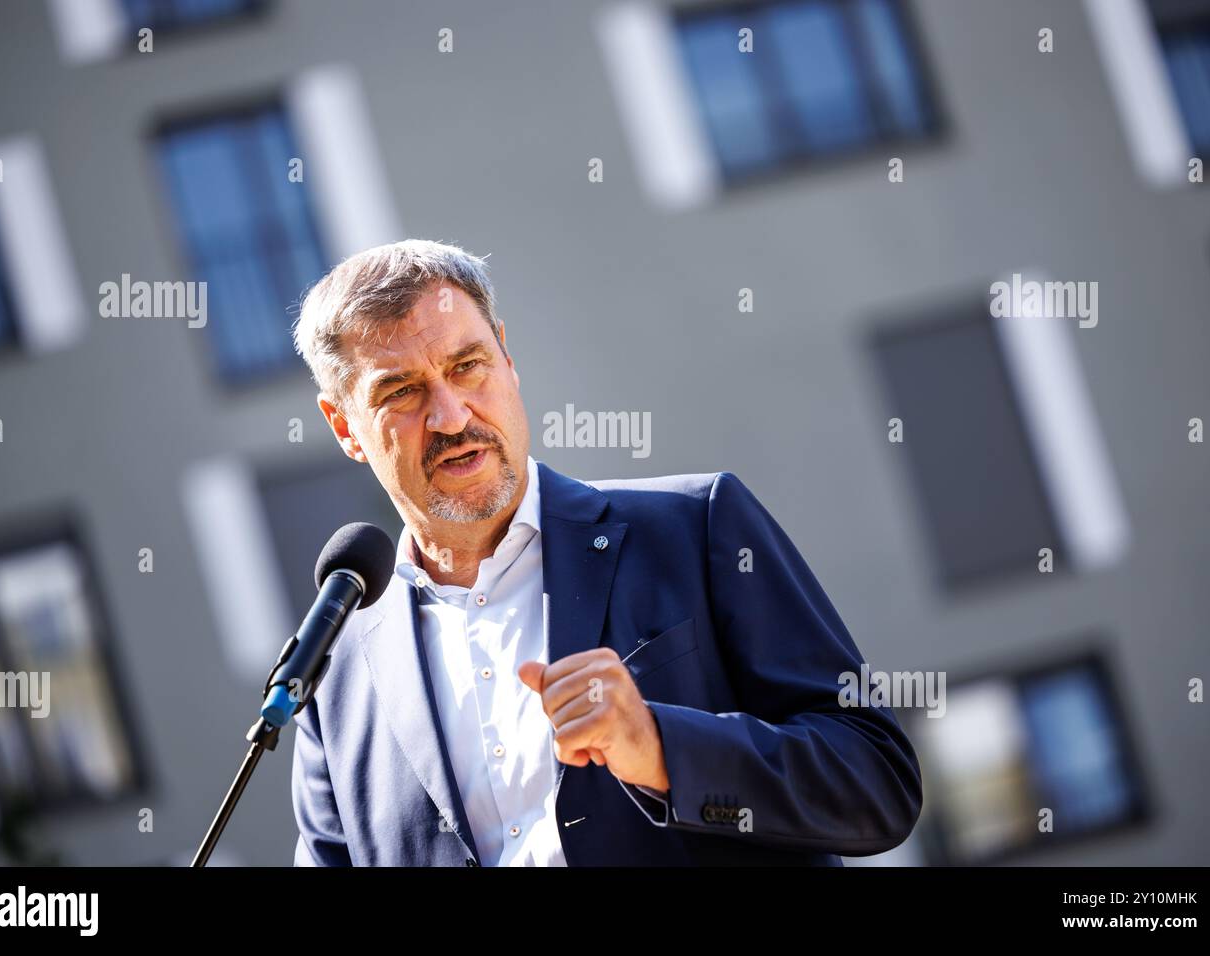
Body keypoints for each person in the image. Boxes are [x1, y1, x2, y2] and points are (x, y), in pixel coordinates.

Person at [288, 239, 922, 866]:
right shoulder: (333, 670)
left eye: (466, 366)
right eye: (401, 391)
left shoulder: (695, 528)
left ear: (507, 357)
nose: (452, 416)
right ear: (344, 426)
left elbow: (877, 783)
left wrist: (659, 748)